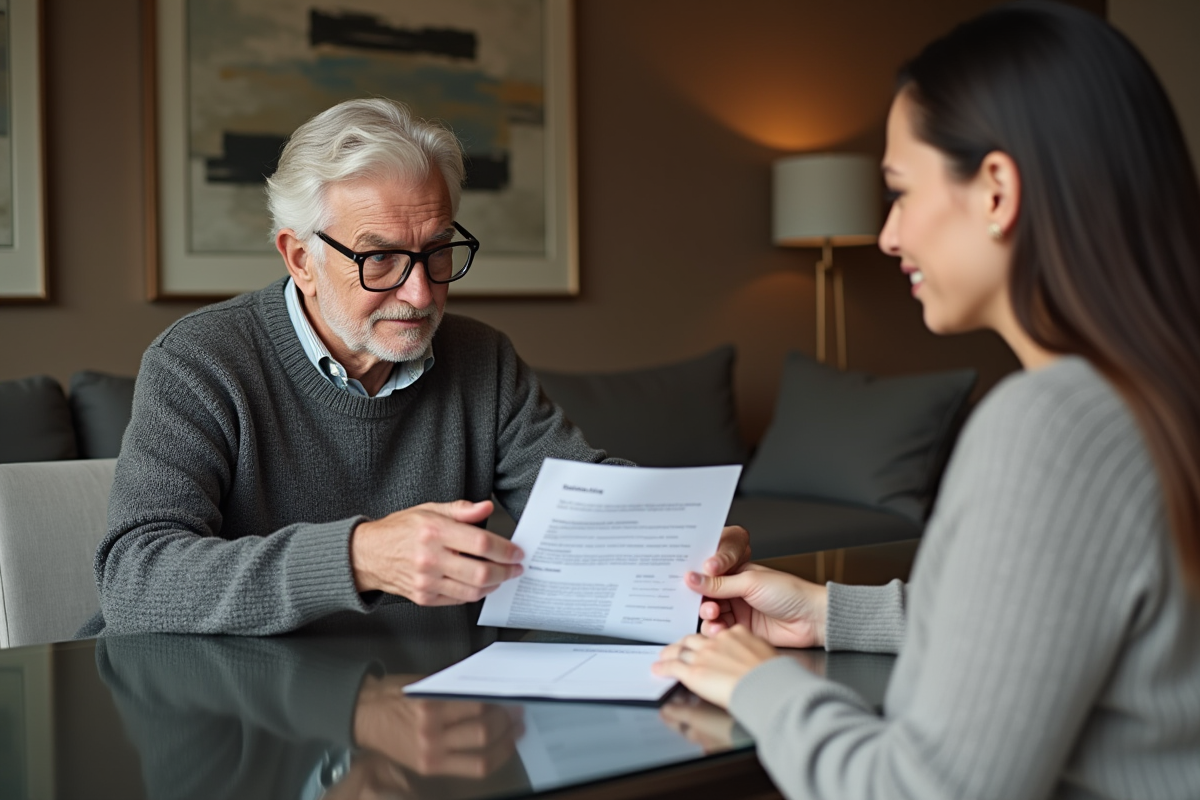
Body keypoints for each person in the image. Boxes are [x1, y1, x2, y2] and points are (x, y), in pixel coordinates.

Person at [653, 3, 1200, 798]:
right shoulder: (1159, 393)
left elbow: (925, 788)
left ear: (996, 190)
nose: (888, 236)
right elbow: (1059, 619)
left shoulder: (1047, 429)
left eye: (901, 192)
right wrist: (826, 613)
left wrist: (758, 683)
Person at [88, 98, 749, 636]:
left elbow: (578, 497)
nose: (422, 293)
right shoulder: (201, 362)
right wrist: (358, 559)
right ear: (298, 258)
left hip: (428, 696)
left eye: (437, 252)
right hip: (232, 710)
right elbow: (135, 579)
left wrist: (682, 534)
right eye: (380, 259)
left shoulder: (482, 359)